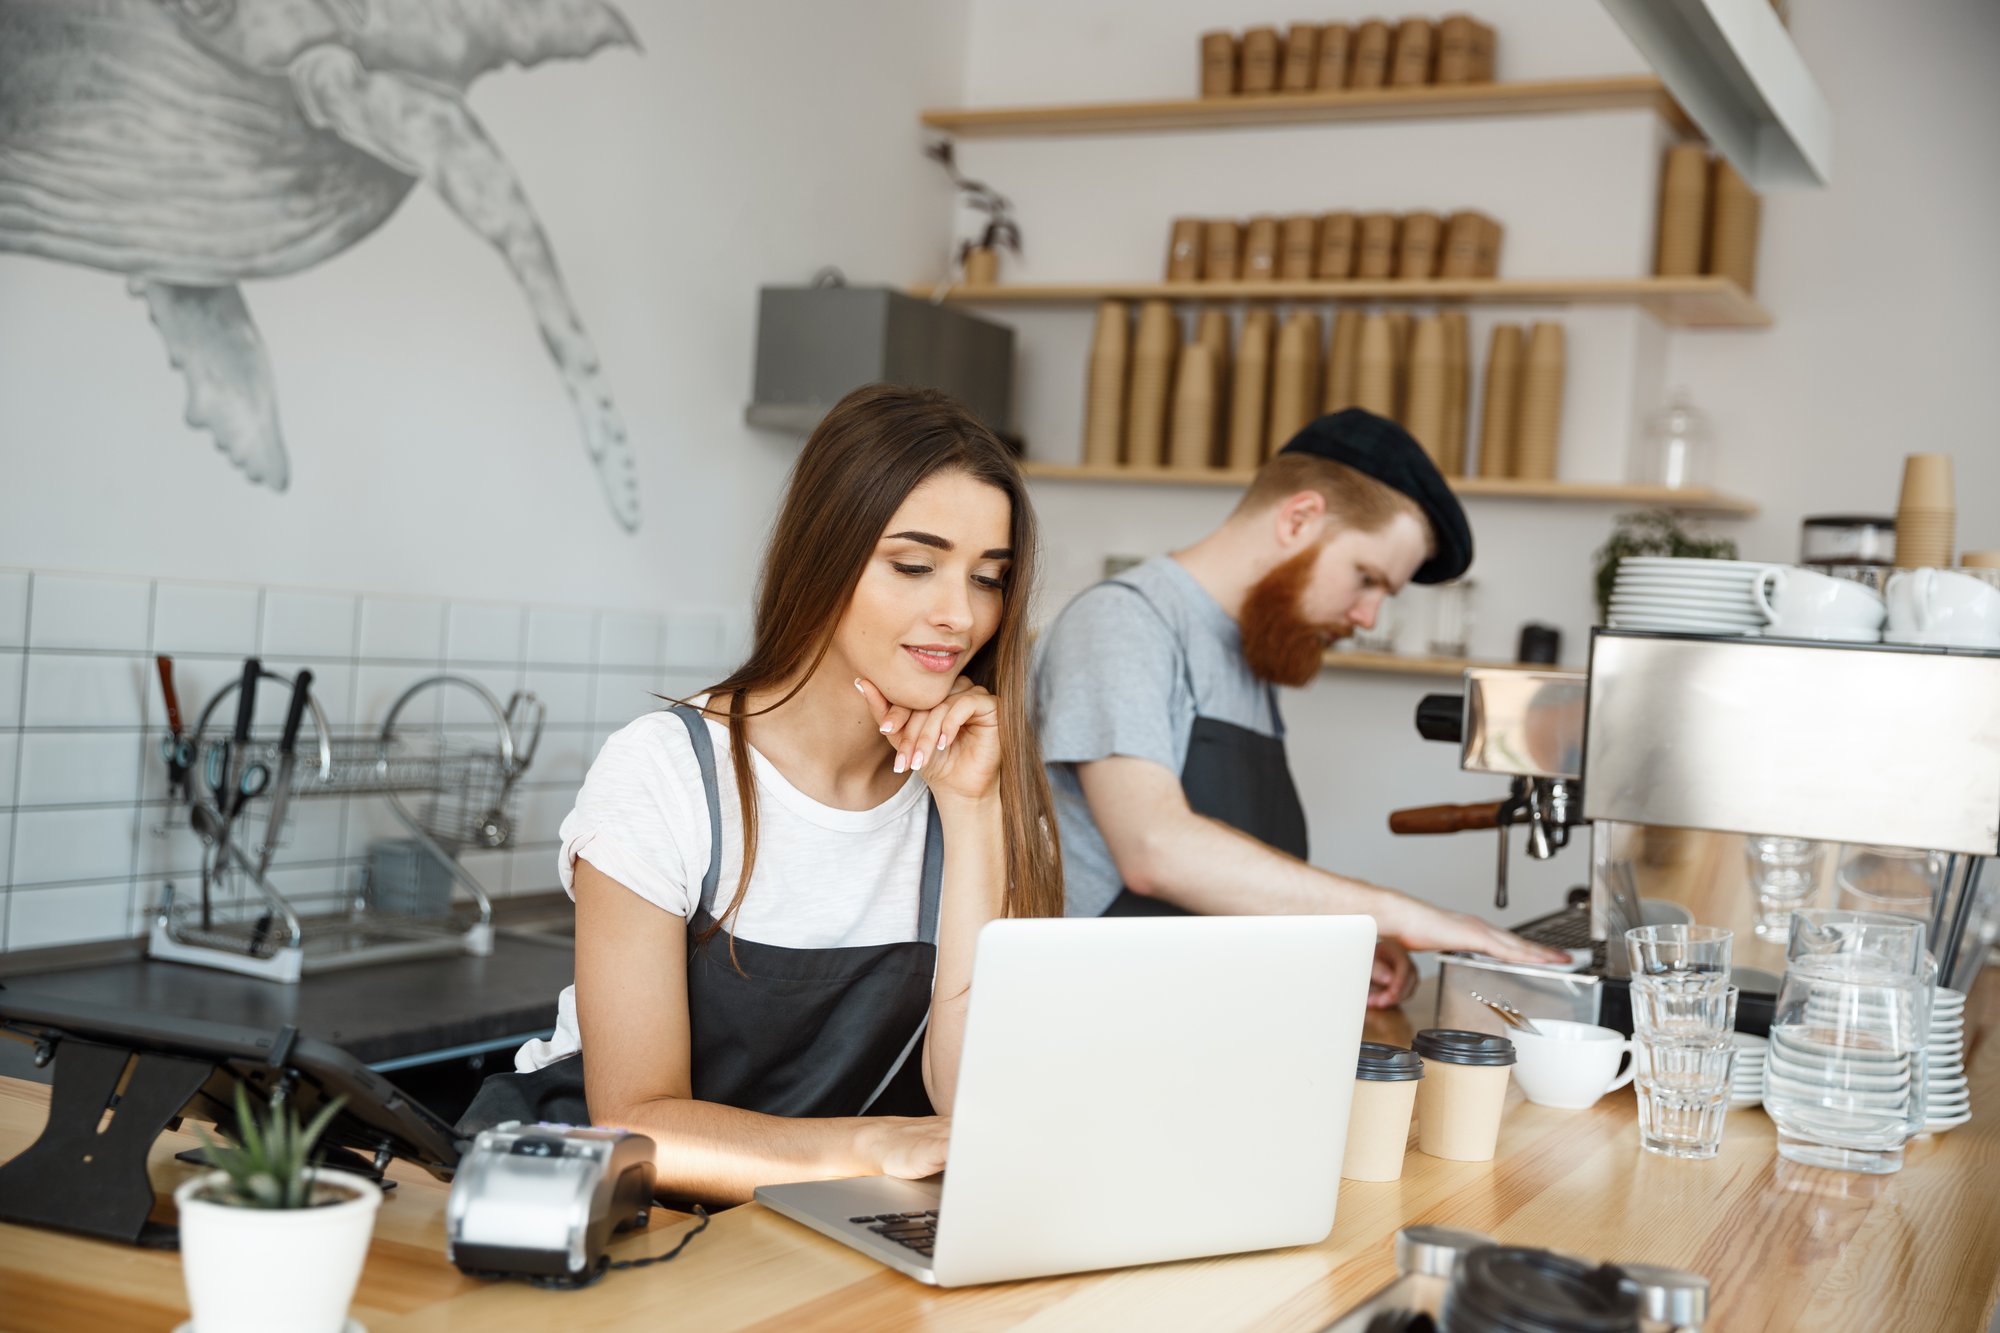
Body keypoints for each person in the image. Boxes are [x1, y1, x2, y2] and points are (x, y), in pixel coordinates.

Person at [461, 384, 1062, 1205]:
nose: (959, 614)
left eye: (988, 578)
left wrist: (972, 812)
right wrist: (874, 1144)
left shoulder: (979, 789)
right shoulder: (665, 775)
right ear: (824, 556)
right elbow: (637, 1120)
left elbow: (971, 1107)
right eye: (914, 565)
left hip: (807, 1227)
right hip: (598, 1211)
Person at [1032, 408, 1565, 1004]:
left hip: (1199, 1015)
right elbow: (1155, 850)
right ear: (1299, 517)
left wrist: (1323, 943)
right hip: (1094, 1017)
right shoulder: (1124, 624)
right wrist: (1393, 914)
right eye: (1367, 578)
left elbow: (1231, 880)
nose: (1368, 618)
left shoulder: (1244, 653)